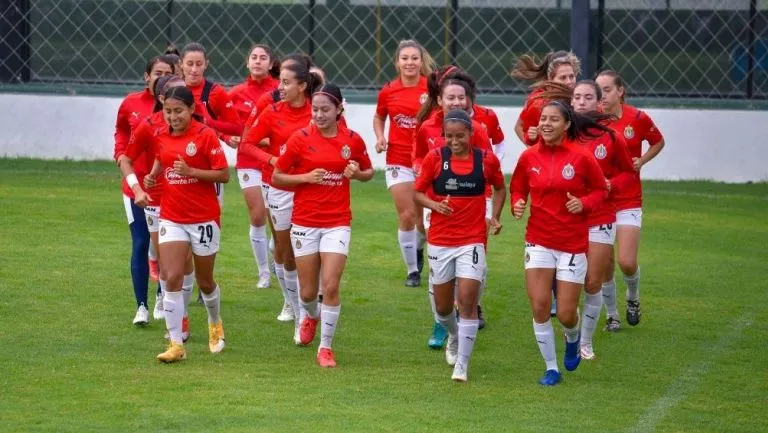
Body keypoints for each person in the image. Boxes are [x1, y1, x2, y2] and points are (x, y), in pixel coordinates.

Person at [272, 83, 374, 367]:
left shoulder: (352, 140)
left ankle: (325, 348)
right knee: (307, 293)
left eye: (325, 110)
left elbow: (367, 172)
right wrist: (305, 178)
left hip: (337, 222)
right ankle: (311, 315)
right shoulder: (299, 139)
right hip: (304, 222)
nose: (318, 115)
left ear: (339, 109)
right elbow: (277, 177)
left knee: (329, 286)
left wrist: (357, 173)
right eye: (315, 109)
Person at [510, 101, 609, 386]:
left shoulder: (581, 157)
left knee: (566, 313)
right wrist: (518, 202)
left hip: (571, 243)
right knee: (540, 306)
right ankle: (551, 368)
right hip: (538, 240)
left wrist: (584, 202)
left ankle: (573, 337)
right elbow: (518, 186)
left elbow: (601, 189)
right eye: (543, 119)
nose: (546, 123)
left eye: (554, 119)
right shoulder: (528, 157)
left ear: (566, 125)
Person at [413, 109, 505, 382]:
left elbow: (500, 188)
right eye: (449, 136)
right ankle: (453, 334)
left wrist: (495, 217)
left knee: (467, 300)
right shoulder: (435, 158)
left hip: (472, 240)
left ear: (471, 134)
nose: (455, 141)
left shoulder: (485, 160)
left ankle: (462, 365)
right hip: (441, 241)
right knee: (443, 310)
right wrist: (434, 205)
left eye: (460, 136)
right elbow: (417, 192)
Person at [142, 86, 230, 363]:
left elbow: (224, 174)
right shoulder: (160, 135)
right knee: (171, 277)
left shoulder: (205, 136)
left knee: (205, 282)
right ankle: (175, 344)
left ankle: (215, 323)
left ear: (192, 110)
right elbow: (161, 157)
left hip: (203, 219)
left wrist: (190, 171)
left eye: (178, 111)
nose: (172, 117)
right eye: (168, 112)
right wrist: (154, 174)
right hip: (172, 216)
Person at [242, 61, 323, 343]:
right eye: (281, 82)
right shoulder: (272, 111)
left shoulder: (319, 109)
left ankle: (310, 305)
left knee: (312, 249)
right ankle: (296, 307)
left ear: (302, 86)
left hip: (313, 186)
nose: (280, 88)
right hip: (279, 187)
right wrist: (272, 159)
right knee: (287, 251)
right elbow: (247, 143)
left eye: (286, 83)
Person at [412, 67, 493, 348]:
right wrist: (429, 198)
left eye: (461, 97)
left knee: (472, 260)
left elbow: (487, 167)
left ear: (469, 100)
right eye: (451, 98)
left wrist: (489, 209)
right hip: (436, 203)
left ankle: (470, 307)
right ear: (439, 100)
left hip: (472, 204)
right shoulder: (426, 128)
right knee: (440, 267)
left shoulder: (478, 130)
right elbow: (418, 161)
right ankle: (441, 320)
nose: (457, 102)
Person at [122, 75, 196, 341]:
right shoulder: (147, 126)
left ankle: (182, 312)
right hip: (157, 201)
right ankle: (180, 319)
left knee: (187, 263)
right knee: (168, 264)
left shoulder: (199, 128)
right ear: (162, 99)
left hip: (189, 201)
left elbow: (217, 169)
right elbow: (125, 158)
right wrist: (138, 188)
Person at [596, 70, 665, 329]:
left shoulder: (637, 118)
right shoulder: (593, 121)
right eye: (598, 89)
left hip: (628, 198)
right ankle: (612, 315)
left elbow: (658, 141)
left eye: (607, 89)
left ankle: (633, 297)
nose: (602, 95)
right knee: (604, 262)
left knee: (626, 261)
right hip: (600, 201)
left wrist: (641, 161)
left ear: (620, 91)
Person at [570, 80, 635, 359]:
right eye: (577, 97)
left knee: (592, 282)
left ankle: (585, 341)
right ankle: (572, 331)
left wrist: (611, 184)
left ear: (598, 102)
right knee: (570, 283)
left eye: (587, 97)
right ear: (571, 102)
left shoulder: (610, 137)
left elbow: (627, 172)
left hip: (600, 216)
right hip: (567, 219)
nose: (581, 102)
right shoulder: (561, 134)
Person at [113, 55, 174, 326]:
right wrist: (133, 180)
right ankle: (141, 306)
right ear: (146, 76)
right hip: (136, 189)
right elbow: (122, 144)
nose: (161, 78)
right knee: (141, 243)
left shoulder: (178, 109)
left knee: (168, 250)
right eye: (157, 73)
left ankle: (163, 296)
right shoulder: (131, 105)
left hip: (170, 191)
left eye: (167, 73)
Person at [373, 40, 434, 287]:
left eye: (414, 58)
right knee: (407, 215)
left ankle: (418, 249)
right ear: (397, 63)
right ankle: (412, 272)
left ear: (422, 61)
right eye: (405, 58)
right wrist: (380, 136)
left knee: (424, 221)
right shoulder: (388, 90)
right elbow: (379, 116)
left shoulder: (432, 88)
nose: (410, 63)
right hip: (398, 158)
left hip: (428, 160)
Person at [229, 44, 281, 290]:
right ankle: (263, 274)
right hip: (249, 161)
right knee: (258, 216)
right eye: (254, 57)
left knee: (278, 221)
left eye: (263, 58)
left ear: (271, 64)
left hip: (276, 162)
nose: (258, 61)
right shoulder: (236, 93)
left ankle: (275, 252)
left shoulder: (280, 90)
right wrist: (227, 138)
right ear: (246, 62)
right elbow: (219, 122)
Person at [511, 51, 580, 147]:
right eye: (563, 78)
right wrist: (535, 153)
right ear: (550, 79)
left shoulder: (580, 96)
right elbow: (520, 127)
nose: (569, 82)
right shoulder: (538, 102)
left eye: (572, 76)